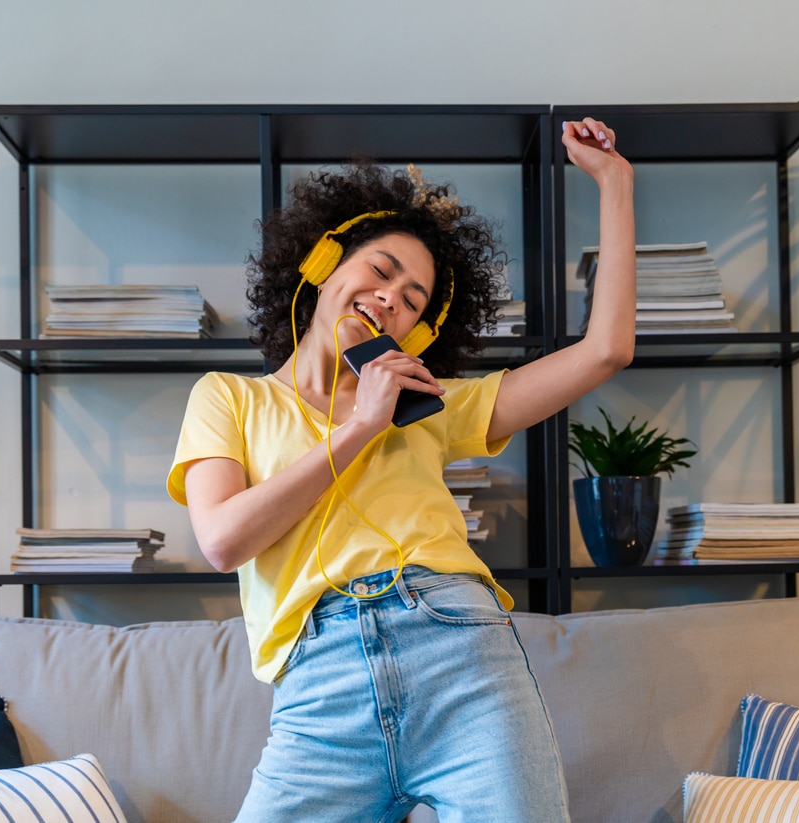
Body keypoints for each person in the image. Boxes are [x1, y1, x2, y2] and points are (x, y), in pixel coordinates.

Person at [167, 116, 634, 823]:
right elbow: (224, 539)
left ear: (414, 333)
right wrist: (361, 426)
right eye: (381, 271)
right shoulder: (228, 397)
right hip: (319, 685)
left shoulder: (430, 407)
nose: (391, 296)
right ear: (324, 263)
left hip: (460, 655)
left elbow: (606, 351)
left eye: (412, 300)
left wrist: (616, 183)